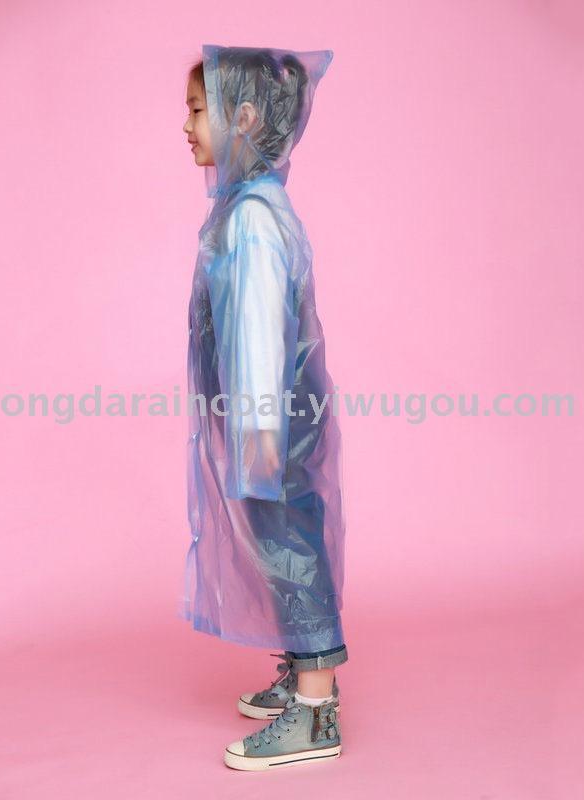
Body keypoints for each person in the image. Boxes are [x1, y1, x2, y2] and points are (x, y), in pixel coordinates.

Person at [180, 43, 348, 771]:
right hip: (268, 417)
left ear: (243, 116)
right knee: (280, 544)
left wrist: (256, 433)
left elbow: (257, 328)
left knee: (291, 547)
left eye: (197, 109)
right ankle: (303, 674)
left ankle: (315, 713)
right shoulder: (248, 208)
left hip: (269, 419)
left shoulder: (251, 219)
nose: (185, 125)